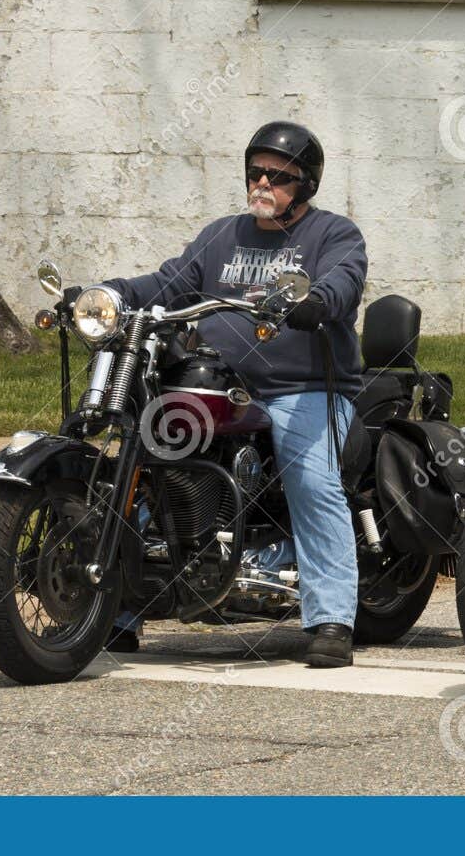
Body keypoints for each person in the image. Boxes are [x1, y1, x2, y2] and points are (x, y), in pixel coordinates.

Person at [98, 122, 368, 669]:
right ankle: (117, 609)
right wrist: (110, 294)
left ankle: (331, 617)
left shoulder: (333, 235)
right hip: (220, 386)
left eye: (279, 176)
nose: (263, 183)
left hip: (302, 388)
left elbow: (346, 280)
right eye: (256, 172)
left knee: (310, 478)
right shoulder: (222, 236)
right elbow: (168, 283)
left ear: (306, 184)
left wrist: (319, 301)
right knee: (147, 462)